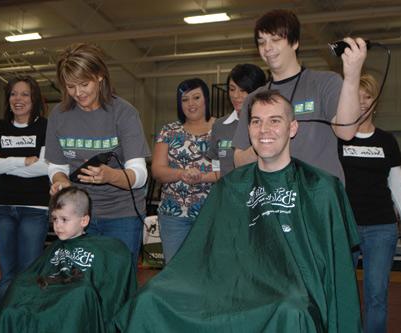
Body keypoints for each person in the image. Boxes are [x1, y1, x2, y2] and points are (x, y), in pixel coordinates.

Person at [115, 90, 362, 332]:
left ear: (292, 128)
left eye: (274, 121)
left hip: (291, 291)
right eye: (256, 122)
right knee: (150, 297)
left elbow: (335, 267)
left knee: (291, 311)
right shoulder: (231, 186)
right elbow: (204, 253)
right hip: (235, 286)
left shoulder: (320, 187)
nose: (264, 130)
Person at [232, 9, 368, 183]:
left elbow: (346, 131)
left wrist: (351, 77)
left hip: (320, 198)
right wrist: (264, 142)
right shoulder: (254, 99)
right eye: (261, 42)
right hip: (275, 198)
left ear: (295, 42)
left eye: (275, 39)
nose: (267, 48)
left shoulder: (324, 83)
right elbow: (238, 161)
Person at [45, 43, 150, 265]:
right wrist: (61, 181)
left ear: (100, 76)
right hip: (76, 216)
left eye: (84, 84)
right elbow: (56, 166)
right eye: (71, 86)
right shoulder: (58, 115)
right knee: (80, 282)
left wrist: (110, 176)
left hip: (122, 216)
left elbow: (140, 175)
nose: (78, 93)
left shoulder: (124, 113)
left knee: (117, 283)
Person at [0, 186, 136, 333]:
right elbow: (35, 275)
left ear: (84, 220)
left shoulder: (101, 248)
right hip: (53, 293)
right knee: (18, 286)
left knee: (80, 293)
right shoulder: (54, 247)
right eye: (55, 219)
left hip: (74, 299)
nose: (57, 226)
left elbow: (106, 287)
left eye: (64, 219)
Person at [338, 74, 401, 333]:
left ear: (376, 101)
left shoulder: (386, 141)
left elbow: (396, 184)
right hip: (344, 227)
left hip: (381, 228)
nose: (361, 102)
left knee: (376, 297)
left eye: (368, 96)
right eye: (357, 96)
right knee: (342, 295)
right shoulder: (338, 138)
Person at [0, 76, 50, 299]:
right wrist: (21, 161)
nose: (18, 99)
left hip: (35, 209)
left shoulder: (45, 127)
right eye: (13, 94)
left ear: (34, 98)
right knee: (8, 274)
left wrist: (3, 163)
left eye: (24, 94)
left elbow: (46, 167)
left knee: (28, 274)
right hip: (3, 208)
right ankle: (6, 324)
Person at [151, 78, 218, 263]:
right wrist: (182, 173)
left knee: (209, 271)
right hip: (174, 216)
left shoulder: (221, 129)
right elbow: (157, 170)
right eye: (185, 99)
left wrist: (201, 177)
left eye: (196, 97)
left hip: (212, 215)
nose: (191, 104)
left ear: (206, 99)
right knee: (175, 273)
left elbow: (228, 171)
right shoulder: (169, 131)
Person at [208, 64, 266, 177]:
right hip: (228, 192)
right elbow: (215, 162)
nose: (236, 95)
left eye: (243, 90)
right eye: (232, 89)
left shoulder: (267, 125)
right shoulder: (220, 125)